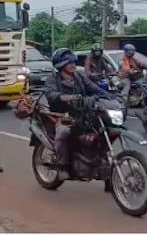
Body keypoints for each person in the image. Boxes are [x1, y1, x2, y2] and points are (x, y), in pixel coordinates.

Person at [44, 48, 111, 180]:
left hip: (83, 113)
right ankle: (62, 165)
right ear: (61, 65)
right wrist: (64, 97)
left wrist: (110, 96)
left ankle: (102, 164)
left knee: (103, 130)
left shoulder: (79, 76)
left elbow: (93, 88)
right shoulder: (53, 78)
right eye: (70, 63)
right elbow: (50, 94)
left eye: (74, 62)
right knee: (62, 133)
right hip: (62, 115)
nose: (73, 65)